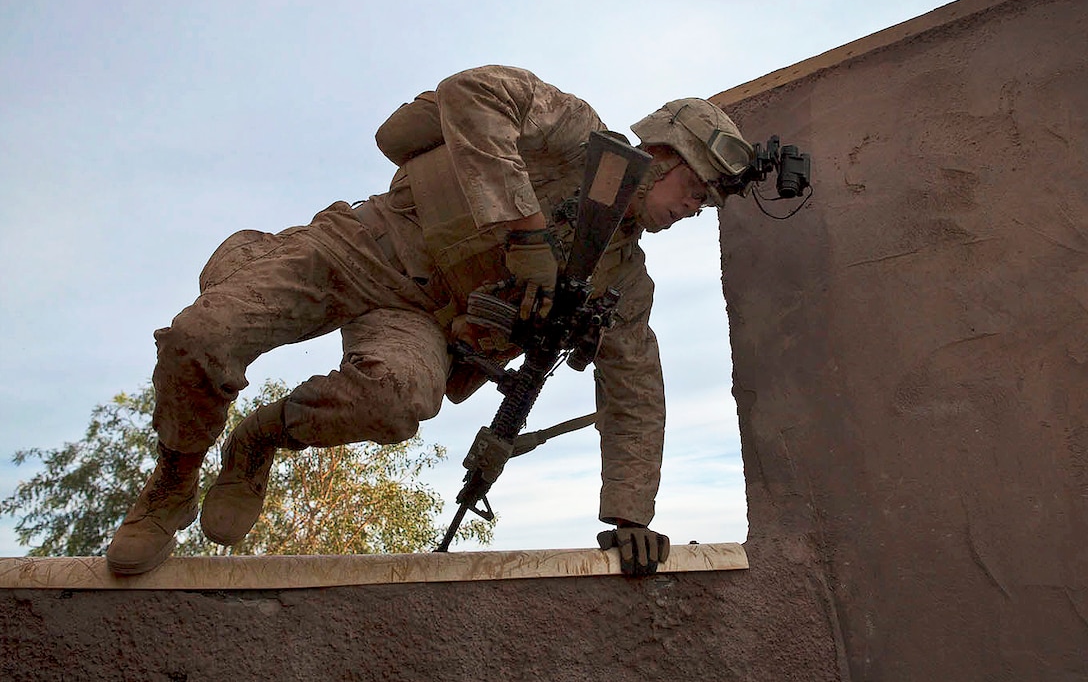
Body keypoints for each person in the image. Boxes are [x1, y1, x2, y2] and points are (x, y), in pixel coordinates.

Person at [105, 65, 755, 577]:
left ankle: (254, 444)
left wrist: (632, 517)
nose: (694, 209)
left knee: (402, 401)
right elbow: (473, 92)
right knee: (202, 337)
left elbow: (636, 387)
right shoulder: (573, 134)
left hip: (417, 317)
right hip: (364, 246)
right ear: (664, 155)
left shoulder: (622, 275)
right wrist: (528, 233)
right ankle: (174, 478)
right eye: (696, 190)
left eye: (705, 203)